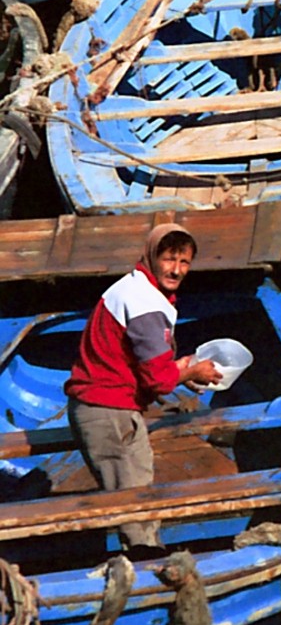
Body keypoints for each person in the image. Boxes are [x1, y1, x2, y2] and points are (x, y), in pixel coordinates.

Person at [65, 223, 222, 559]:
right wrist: (190, 371)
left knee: (130, 498)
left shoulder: (133, 288)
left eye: (184, 262)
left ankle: (138, 559)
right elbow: (158, 382)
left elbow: (143, 364)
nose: (176, 270)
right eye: (169, 259)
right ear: (152, 257)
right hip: (108, 411)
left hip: (97, 405)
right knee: (135, 505)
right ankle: (146, 571)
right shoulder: (146, 303)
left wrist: (179, 369)